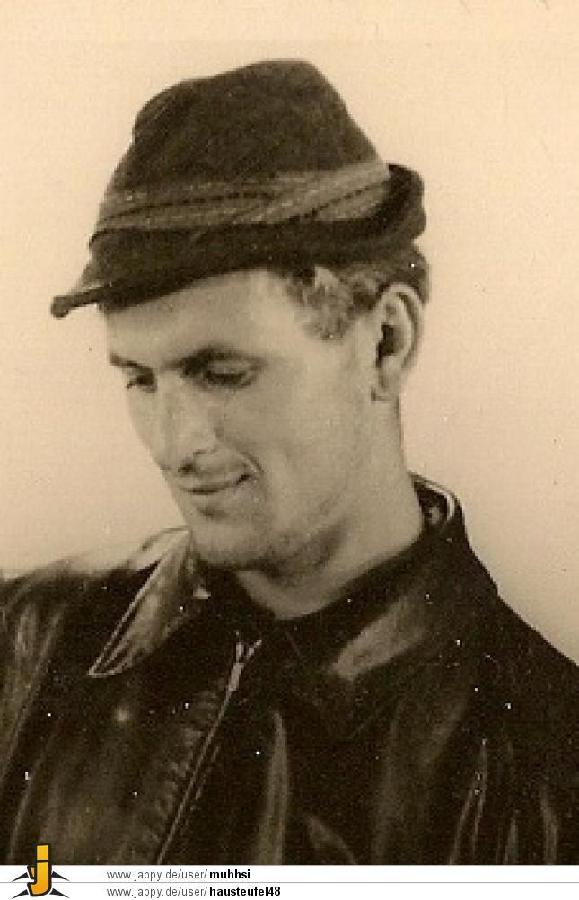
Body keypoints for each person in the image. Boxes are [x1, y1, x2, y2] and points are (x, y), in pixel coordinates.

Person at [1, 59, 578, 866]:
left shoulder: (545, 767)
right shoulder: (22, 643)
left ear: (384, 343)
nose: (172, 444)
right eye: (139, 379)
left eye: (221, 372)